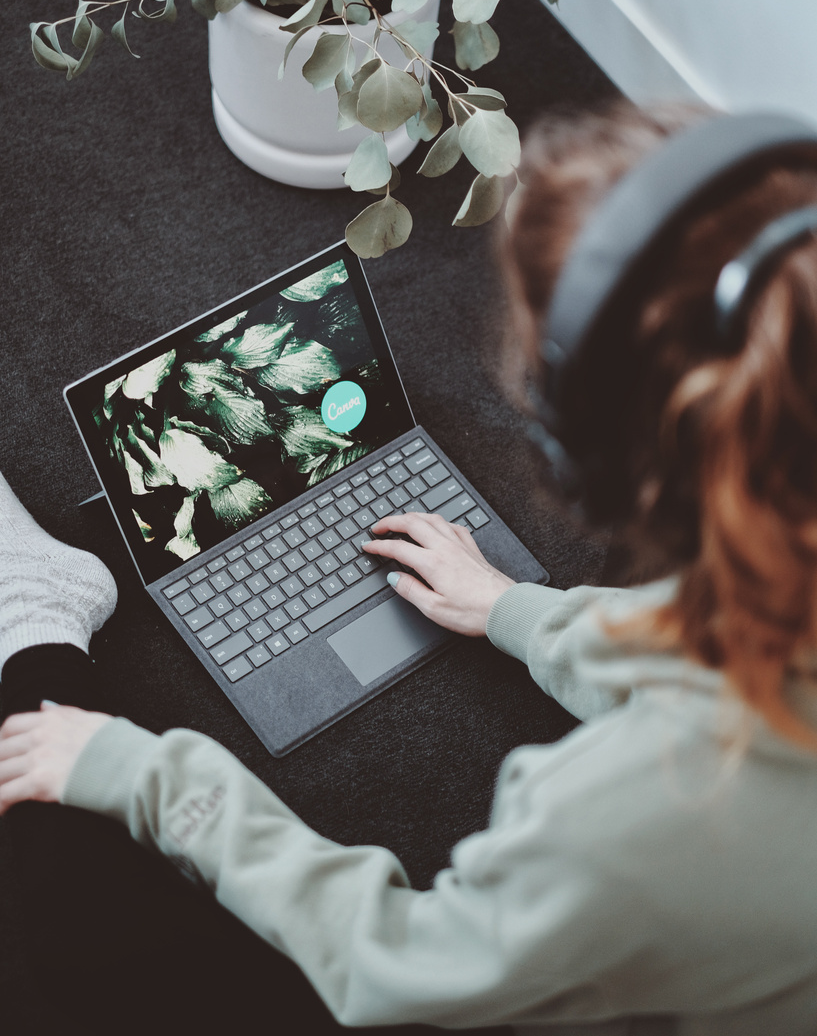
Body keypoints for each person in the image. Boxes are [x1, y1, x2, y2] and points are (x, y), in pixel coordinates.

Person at [3, 98, 817, 1036]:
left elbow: (400, 964)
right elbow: (726, 661)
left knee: (87, 957)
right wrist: (521, 610)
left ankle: (31, 618)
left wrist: (151, 776)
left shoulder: (609, 821)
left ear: (581, 458)